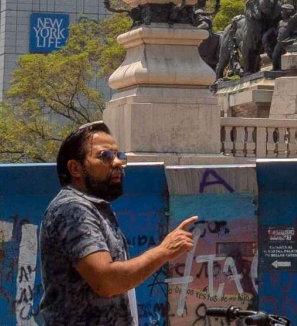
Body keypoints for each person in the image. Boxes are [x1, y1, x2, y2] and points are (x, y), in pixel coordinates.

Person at [38, 121, 200, 326]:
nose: (117, 163)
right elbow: (107, 281)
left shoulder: (94, 208)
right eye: (105, 156)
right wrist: (164, 251)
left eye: (119, 155)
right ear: (75, 168)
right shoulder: (72, 209)